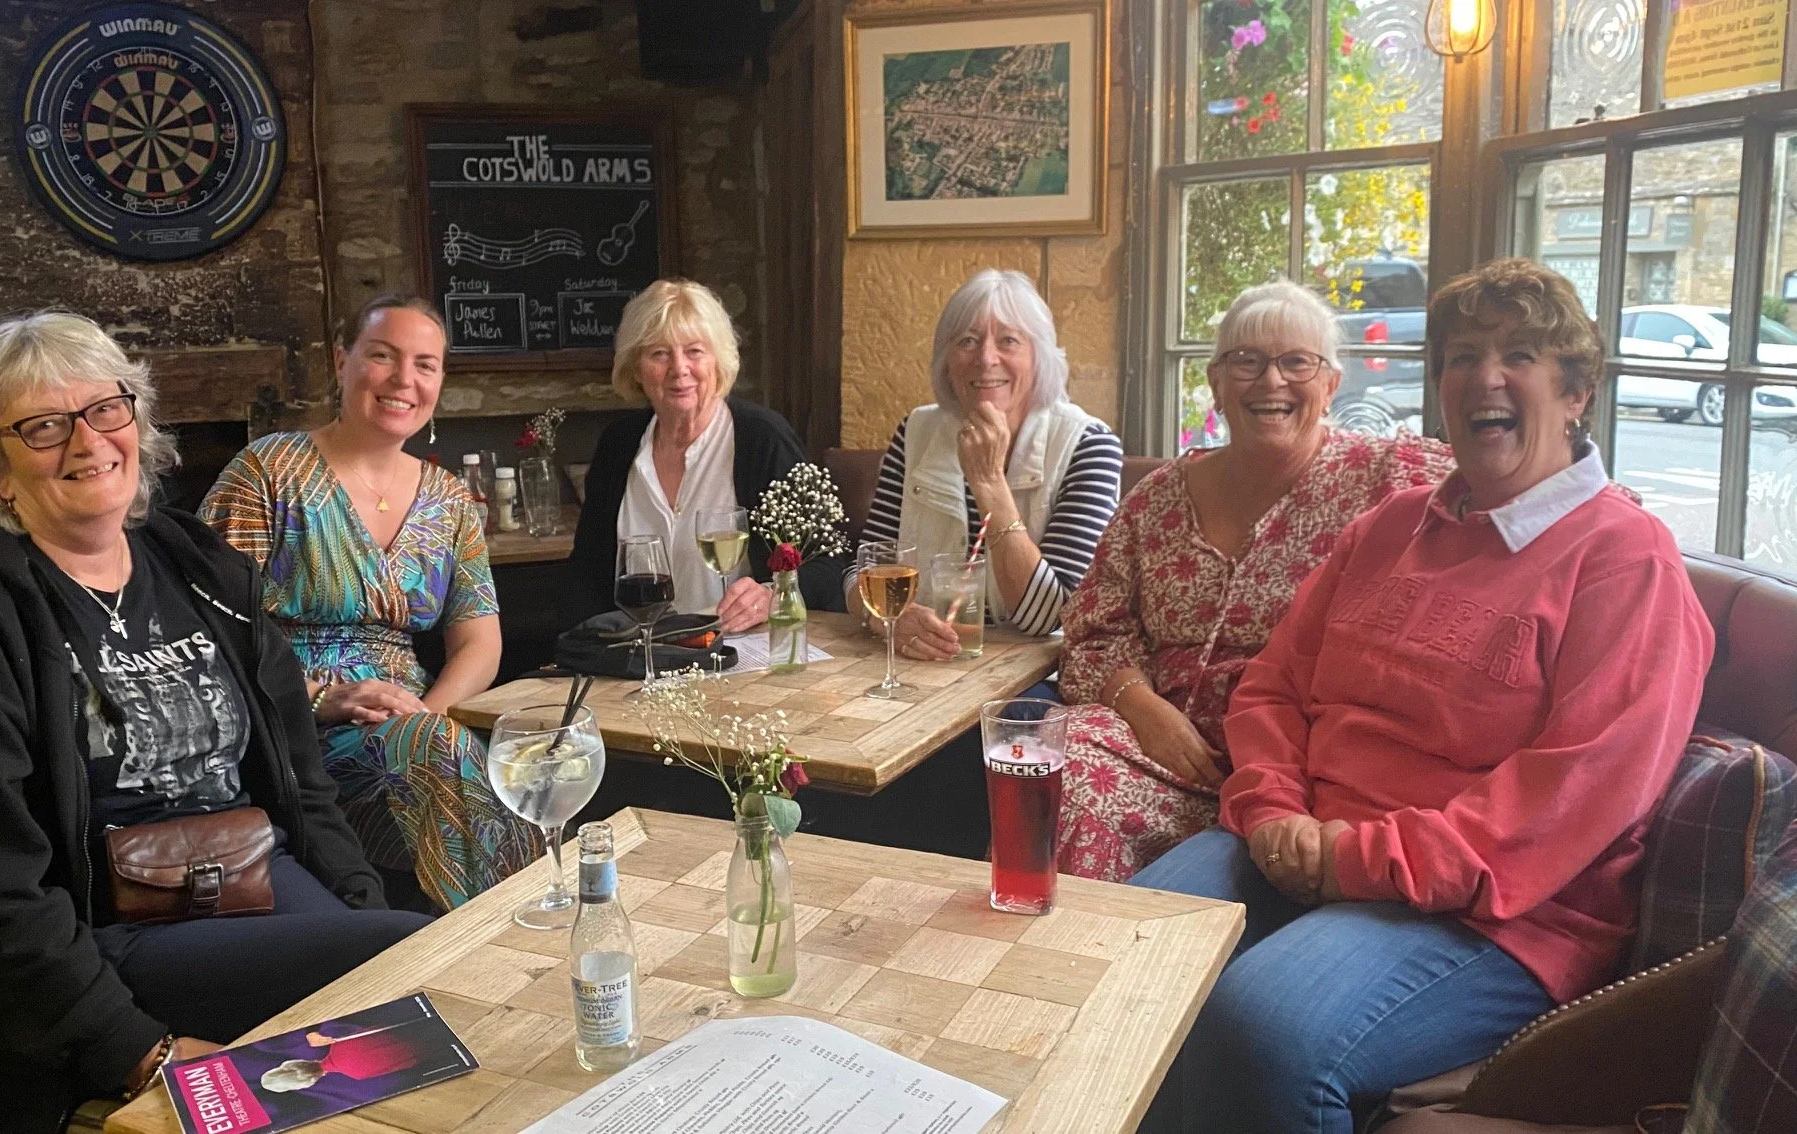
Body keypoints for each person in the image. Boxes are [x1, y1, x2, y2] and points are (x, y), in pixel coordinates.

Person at [1132, 260, 1716, 1133]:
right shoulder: (1391, 526)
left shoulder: (1626, 561)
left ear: (1576, 394)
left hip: (1499, 914)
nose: (1485, 377)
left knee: (1262, 1024)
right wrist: (1275, 811)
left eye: (1519, 356)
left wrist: (1356, 859)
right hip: (1307, 844)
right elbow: (1274, 689)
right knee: (1125, 944)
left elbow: (1566, 800)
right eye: (1462, 357)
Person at [0, 312, 430, 1134]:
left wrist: (352, 910)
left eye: (106, 409)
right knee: (409, 970)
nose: (89, 441)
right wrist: (139, 1052)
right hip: (100, 931)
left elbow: (300, 782)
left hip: (252, 877)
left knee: (411, 970)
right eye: (43, 426)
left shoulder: (198, 568)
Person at [1056, 281, 1453, 882]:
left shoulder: (1389, 477)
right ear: (1216, 383)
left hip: (1300, 778)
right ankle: (1051, 935)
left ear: (1331, 386)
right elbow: (1092, 631)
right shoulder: (1157, 498)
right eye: (1247, 361)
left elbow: (1516, 483)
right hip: (1157, 755)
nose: (1272, 381)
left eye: (1297, 362)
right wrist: (1141, 707)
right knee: (1058, 762)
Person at [201, 295, 536, 911]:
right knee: (449, 758)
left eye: (425, 365)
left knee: (509, 756)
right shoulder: (267, 472)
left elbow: (479, 641)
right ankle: (511, 929)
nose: (404, 379)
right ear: (341, 362)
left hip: (416, 722)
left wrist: (425, 716)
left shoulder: (450, 500)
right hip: (290, 724)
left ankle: (482, 929)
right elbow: (206, 632)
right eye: (382, 356)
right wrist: (319, 697)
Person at [848, 269, 1122, 651]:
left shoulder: (1089, 446)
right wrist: (886, 620)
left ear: (1039, 358)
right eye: (967, 341)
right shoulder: (916, 432)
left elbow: (1048, 617)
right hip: (924, 663)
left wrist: (989, 480)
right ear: (946, 361)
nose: (986, 359)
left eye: (1008, 341)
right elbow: (862, 572)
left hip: (1033, 673)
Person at [572, 278, 847, 625]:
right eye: (659, 354)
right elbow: (585, 575)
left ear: (717, 361)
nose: (679, 369)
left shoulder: (762, 439)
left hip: (740, 646)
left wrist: (771, 596)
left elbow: (829, 564)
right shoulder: (618, 444)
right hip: (640, 649)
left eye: (694, 351)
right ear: (636, 369)